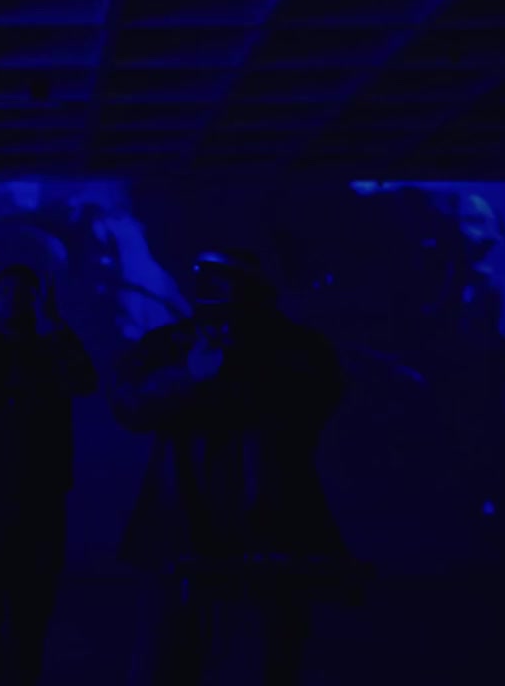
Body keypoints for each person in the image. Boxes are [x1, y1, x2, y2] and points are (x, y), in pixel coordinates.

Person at [113, 251, 350, 686]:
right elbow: (128, 404)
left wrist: (248, 363)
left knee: (264, 663)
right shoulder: (173, 344)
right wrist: (188, 374)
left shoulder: (297, 348)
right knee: (163, 662)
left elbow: (316, 398)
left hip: (271, 536)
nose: (225, 323)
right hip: (179, 533)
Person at [0, 260, 98, 686]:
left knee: (31, 614)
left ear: (36, 301)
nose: (14, 297)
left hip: (40, 502)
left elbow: (85, 379)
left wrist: (55, 323)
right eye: (5, 290)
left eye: (24, 291)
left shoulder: (50, 351)